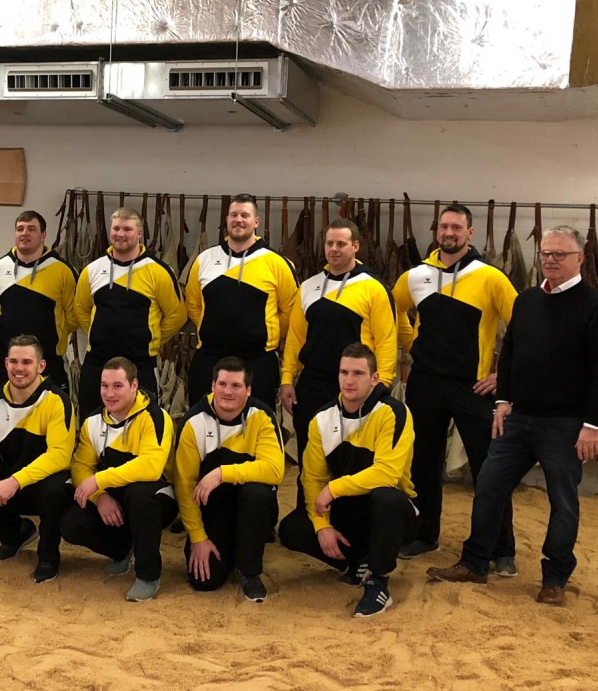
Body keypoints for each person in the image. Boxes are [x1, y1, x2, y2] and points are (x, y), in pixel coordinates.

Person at [427, 227, 598, 607]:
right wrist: (502, 401)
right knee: (489, 486)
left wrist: (592, 425)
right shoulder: (528, 300)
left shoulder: (596, 308)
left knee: (563, 501)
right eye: (546, 253)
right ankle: (475, 563)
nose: (550, 259)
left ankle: (555, 577)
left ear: (580, 259)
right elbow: (510, 353)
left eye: (560, 254)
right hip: (518, 419)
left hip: (565, 425)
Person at [393, 204, 517, 569]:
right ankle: (424, 534)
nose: (449, 233)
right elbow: (389, 310)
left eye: (457, 227)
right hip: (426, 382)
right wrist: (411, 343)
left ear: (470, 233)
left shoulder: (490, 277)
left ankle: (501, 549)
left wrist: (503, 376)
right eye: (444, 227)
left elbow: (524, 326)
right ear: (437, 231)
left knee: (489, 469)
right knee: (422, 463)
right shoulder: (416, 275)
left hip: (473, 387)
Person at [278, 344, 418, 618]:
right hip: (349, 511)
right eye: (344, 372)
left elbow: (387, 473)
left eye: (358, 373)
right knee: (292, 529)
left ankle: (378, 581)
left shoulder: (393, 412)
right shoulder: (322, 419)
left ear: (374, 378)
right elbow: (312, 478)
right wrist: (322, 526)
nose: (349, 380)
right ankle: (358, 561)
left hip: (393, 512)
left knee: (386, 498)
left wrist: (333, 488)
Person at [281, 218, 397, 501]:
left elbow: (386, 340)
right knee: (310, 457)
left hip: (354, 387)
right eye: (329, 243)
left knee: (351, 459)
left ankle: (349, 517)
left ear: (355, 246)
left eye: (341, 244)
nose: (334, 249)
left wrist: (383, 384)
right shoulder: (308, 286)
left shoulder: (373, 287)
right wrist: (287, 378)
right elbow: (295, 338)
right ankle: (307, 513)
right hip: (312, 385)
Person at [0, 335, 76, 583]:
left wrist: (15, 481)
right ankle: (16, 534)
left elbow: (60, 455)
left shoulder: (57, 402)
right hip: (7, 488)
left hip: (41, 485)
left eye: (26, 362)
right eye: (14, 361)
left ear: (41, 366)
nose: (19, 368)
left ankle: (48, 555)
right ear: (5, 364)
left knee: (55, 490)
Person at [60, 357, 178, 601]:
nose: (109, 393)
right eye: (104, 386)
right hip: (114, 496)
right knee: (71, 523)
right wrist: (99, 496)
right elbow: (80, 465)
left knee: (140, 495)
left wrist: (99, 480)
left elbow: (151, 467)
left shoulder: (156, 417)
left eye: (117, 386)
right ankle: (123, 550)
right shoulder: (93, 421)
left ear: (134, 385)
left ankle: (148, 575)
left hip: (157, 496)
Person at [174, 356, 283, 602]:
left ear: (248, 390)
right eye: (222, 384)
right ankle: (234, 545)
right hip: (213, 509)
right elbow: (184, 486)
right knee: (205, 581)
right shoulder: (193, 422)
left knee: (257, 492)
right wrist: (198, 537)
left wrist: (221, 473)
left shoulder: (262, 416)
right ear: (213, 386)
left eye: (236, 386)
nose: (228, 391)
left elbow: (274, 470)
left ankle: (249, 571)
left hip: (251, 505)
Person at [185, 194, 299, 408]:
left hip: (258, 361)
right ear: (226, 220)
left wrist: (267, 334)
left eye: (244, 215)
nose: (238, 220)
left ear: (256, 222)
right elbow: (193, 304)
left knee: (258, 423)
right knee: (202, 422)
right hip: (209, 358)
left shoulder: (277, 263)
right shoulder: (205, 259)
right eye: (234, 215)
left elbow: (291, 311)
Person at [74, 207, 187, 418]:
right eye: (116, 228)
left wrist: (151, 338)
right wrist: (98, 333)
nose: (121, 234)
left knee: (143, 423)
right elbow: (80, 308)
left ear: (139, 233)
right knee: (91, 423)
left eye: (127, 229)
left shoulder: (159, 271)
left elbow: (177, 315)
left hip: (140, 363)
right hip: (97, 361)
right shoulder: (92, 270)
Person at [0, 211, 78, 397]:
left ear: (43, 235)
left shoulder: (63, 270)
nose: (24, 233)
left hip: (48, 359)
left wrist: (54, 335)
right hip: (5, 359)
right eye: (20, 229)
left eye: (31, 229)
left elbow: (73, 316)